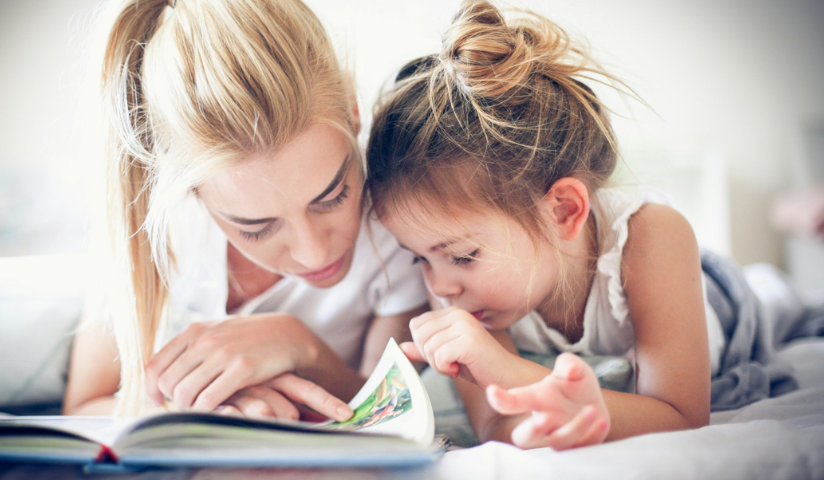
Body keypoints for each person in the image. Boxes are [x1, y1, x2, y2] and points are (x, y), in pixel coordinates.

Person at [365, 0, 807, 450]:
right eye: (419, 257)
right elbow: (497, 428)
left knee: (776, 300)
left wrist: (509, 370)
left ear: (563, 211)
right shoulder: (468, 296)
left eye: (462, 255)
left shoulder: (652, 236)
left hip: (717, 302)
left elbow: (682, 418)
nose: (440, 287)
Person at [62, 0, 428, 419]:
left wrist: (300, 346)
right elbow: (84, 406)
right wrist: (205, 412)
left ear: (353, 108)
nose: (314, 253)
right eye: (257, 227)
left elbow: (391, 409)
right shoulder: (153, 231)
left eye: (333, 197)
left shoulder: (399, 228)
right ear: (190, 190)